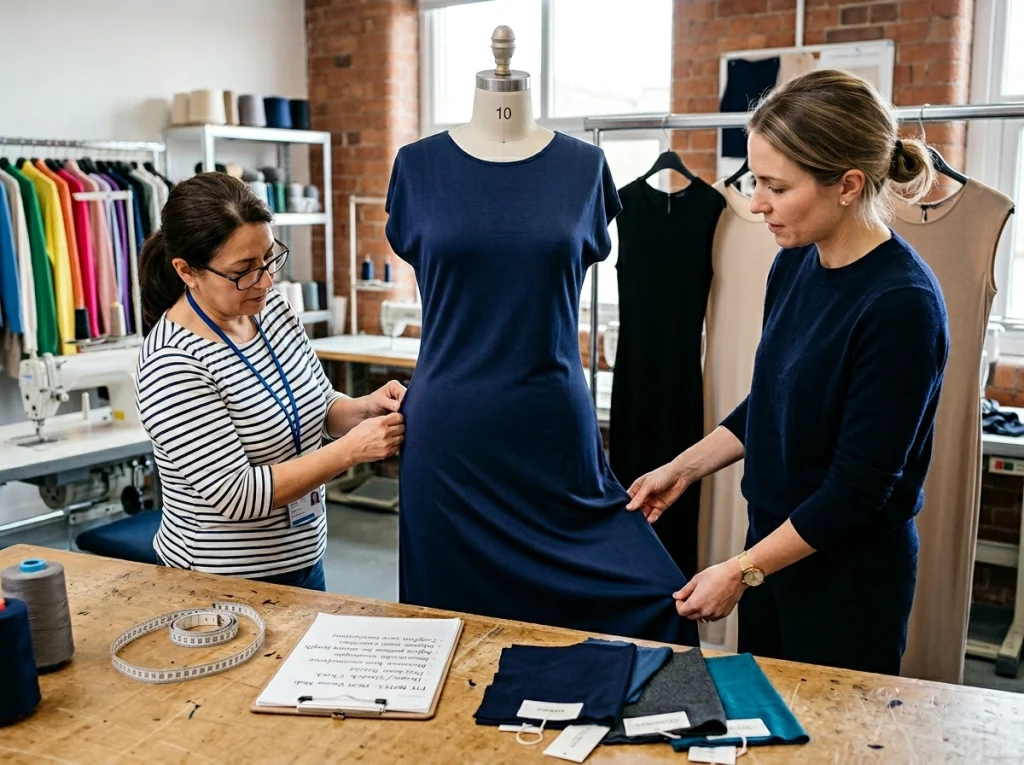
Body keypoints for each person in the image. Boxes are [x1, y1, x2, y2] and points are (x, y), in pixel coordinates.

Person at [627, 69, 950, 674]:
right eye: (755, 181)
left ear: (848, 184)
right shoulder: (796, 263)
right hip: (772, 560)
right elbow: (772, 401)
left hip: (846, 586)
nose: (756, 204)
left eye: (776, 186)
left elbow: (858, 489)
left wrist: (742, 570)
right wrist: (682, 469)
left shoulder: (901, 305)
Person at [136, 173, 406, 591]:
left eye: (269, 259)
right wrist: (351, 451)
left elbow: (316, 405)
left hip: (302, 557)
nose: (265, 281)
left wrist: (362, 408)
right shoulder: (173, 362)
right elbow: (238, 495)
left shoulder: (271, 310)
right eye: (243, 270)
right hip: (221, 581)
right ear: (187, 271)